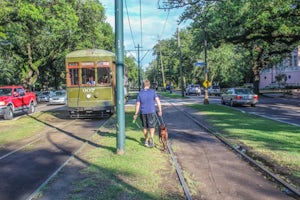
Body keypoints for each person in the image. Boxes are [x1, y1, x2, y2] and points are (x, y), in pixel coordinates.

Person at [133, 79, 162, 147]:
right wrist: (160, 110)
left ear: (143, 85)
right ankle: (151, 138)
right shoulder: (153, 92)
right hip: (151, 112)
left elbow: (137, 104)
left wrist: (136, 114)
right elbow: (158, 101)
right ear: (149, 85)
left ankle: (146, 140)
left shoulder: (140, 93)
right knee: (152, 126)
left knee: (145, 127)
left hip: (143, 112)